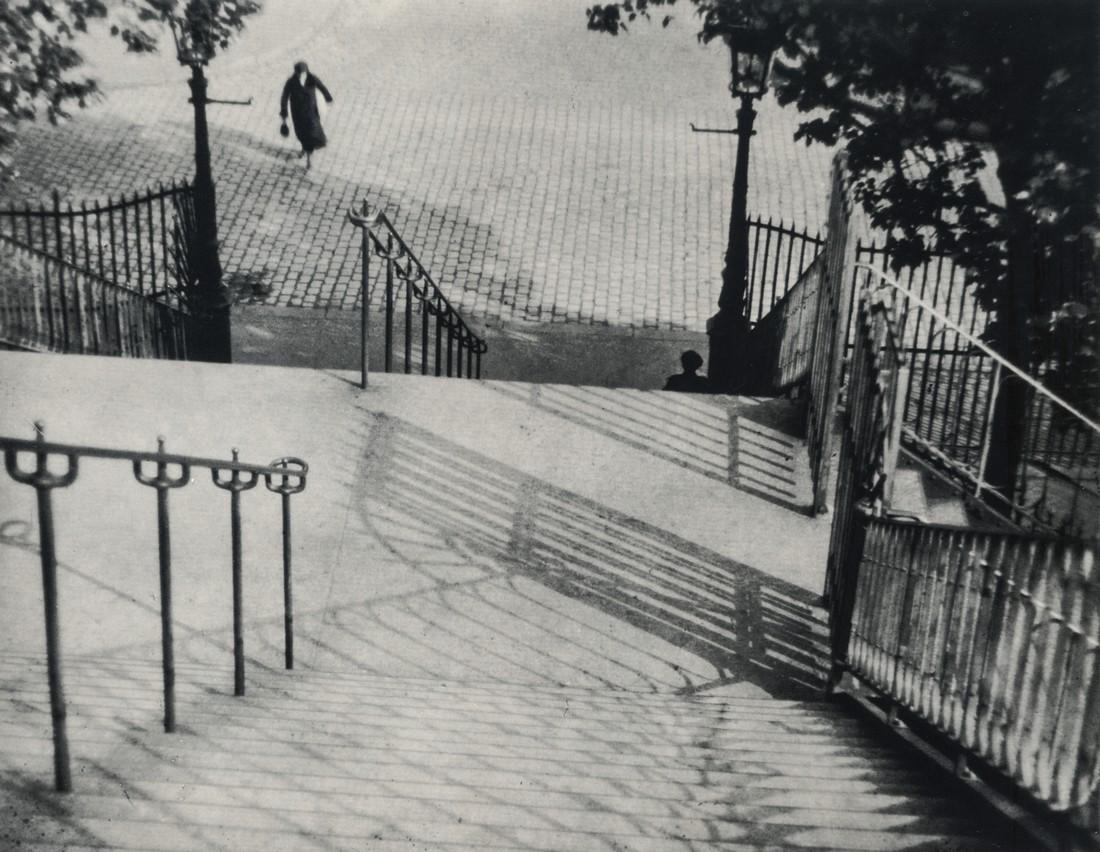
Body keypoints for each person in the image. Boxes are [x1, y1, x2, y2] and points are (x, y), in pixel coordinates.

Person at [279, 61, 334, 170]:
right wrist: (284, 114)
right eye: (299, 73)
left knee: (311, 134)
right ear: (296, 73)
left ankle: (309, 160)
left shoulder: (311, 78)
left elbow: (322, 87)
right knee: (301, 134)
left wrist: (328, 98)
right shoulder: (291, 82)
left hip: (311, 112)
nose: (301, 75)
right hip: (298, 114)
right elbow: (284, 98)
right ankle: (304, 149)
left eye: (303, 73)